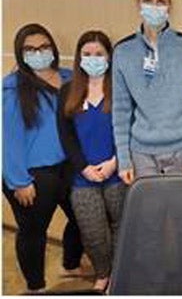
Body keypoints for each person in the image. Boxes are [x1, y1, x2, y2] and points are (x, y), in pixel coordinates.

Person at [2, 23, 84, 293]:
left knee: (82, 218)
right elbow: (8, 137)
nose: (39, 52)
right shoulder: (13, 87)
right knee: (33, 232)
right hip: (32, 174)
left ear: (53, 48)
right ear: (21, 54)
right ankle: (35, 287)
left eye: (44, 46)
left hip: (68, 167)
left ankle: (70, 264)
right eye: (30, 49)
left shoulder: (69, 77)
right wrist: (18, 181)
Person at [112, 0, 182, 183]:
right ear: (137, 3)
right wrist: (124, 160)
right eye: (147, 0)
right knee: (150, 212)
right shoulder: (122, 51)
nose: (154, 6)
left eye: (160, 1)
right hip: (141, 152)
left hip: (181, 150)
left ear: (169, 7)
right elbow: (121, 111)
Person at [57, 31, 126, 291]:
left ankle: (119, 273)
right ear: (78, 57)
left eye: (99, 54)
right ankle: (103, 273)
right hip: (82, 177)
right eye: (87, 54)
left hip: (117, 172)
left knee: (122, 226)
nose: (93, 59)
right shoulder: (67, 91)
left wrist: (115, 161)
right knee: (93, 232)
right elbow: (66, 135)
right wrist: (84, 168)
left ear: (109, 57)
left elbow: (129, 128)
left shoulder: (120, 88)